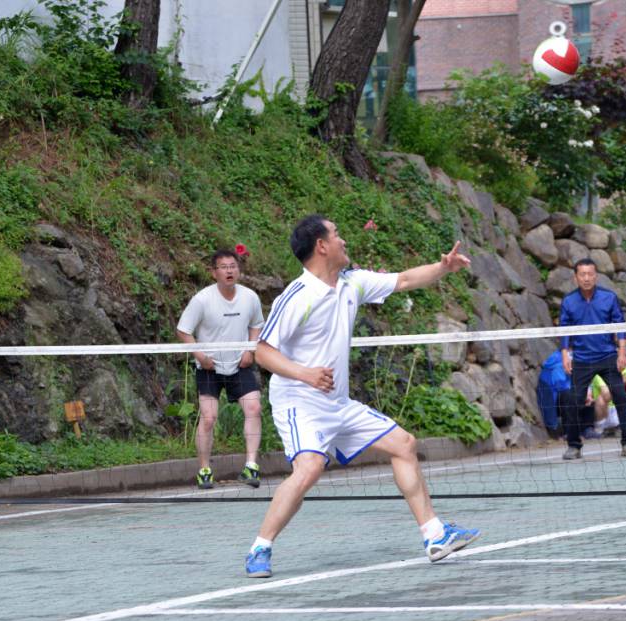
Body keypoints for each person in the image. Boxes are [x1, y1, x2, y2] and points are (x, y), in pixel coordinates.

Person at [244, 215, 479, 578]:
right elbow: (262, 352)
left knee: (403, 443)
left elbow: (403, 279)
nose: (343, 241)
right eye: (336, 235)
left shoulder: (352, 284)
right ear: (321, 246)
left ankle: (434, 536)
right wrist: (306, 373)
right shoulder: (296, 296)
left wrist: (442, 267)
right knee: (308, 470)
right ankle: (260, 547)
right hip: (299, 401)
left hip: (338, 402)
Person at [176, 248, 265, 489]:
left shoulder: (250, 297)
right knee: (208, 418)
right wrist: (200, 355)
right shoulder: (202, 299)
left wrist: (250, 349)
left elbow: (257, 325)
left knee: (254, 407)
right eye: (224, 267)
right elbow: (184, 330)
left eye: (233, 266)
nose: (229, 271)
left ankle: (251, 466)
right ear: (214, 272)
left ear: (238, 270)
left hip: (240, 364)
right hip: (209, 366)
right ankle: (204, 470)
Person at [558, 258, 626, 459]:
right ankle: (574, 446)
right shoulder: (568, 301)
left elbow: (620, 328)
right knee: (573, 401)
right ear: (576, 277)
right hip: (582, 359)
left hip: (608, 356)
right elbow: (564, 331)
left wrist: (622, 354)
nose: (586, 278)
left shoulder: (609, 297)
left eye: (590, 274)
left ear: (596, 276)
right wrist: (565, 355)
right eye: (582, 274)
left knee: (620, 396)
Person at [589, 365, 626, 438]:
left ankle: (622, 428)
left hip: (618, 407)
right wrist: (620, 381)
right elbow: (607, 395)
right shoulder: (599, 369)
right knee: (601, 399)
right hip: (605, 411)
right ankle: (600, 429)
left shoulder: (623, 367)